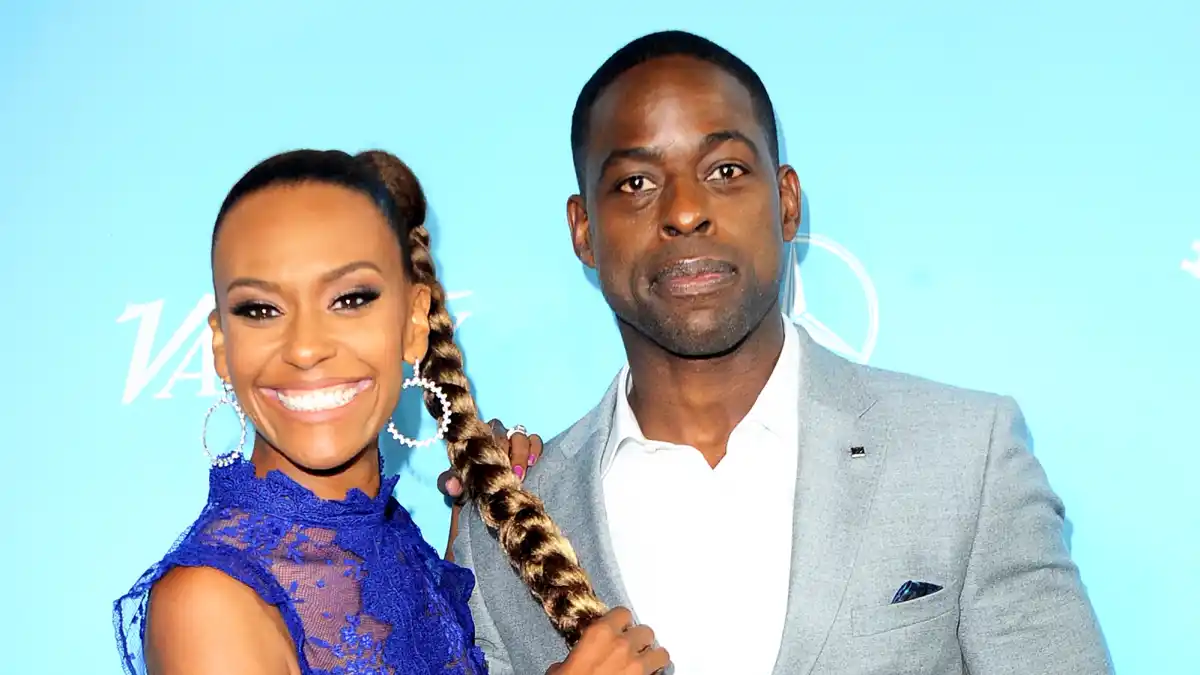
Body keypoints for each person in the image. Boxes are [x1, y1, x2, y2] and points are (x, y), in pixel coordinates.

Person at [450, 30, 1114, 675]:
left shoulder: (965, 457)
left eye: (725, 170)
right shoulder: (500, 522)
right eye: (636, 183)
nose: (685, 211)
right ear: (584, 230)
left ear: (787, 201)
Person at [113, 149, 664, 675]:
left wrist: (476, 529)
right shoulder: (207, 601)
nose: (305, 347)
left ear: (413, 323)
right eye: (261, 309)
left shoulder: (389, 539)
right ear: (221, 345)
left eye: (349, 300)